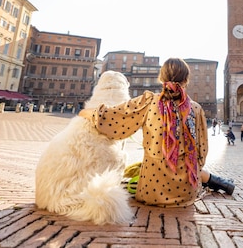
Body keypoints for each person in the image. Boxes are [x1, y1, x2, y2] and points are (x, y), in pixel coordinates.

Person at [79, 58, 234, 207]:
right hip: (186, 193)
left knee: (140, 167)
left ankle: (220, 182)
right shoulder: (196, 109)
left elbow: (113, 118)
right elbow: (201, 153)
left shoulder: (148, 101)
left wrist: (86, 112)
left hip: (152, 193)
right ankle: (221, 183)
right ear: (186, 80)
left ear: (161, 78)